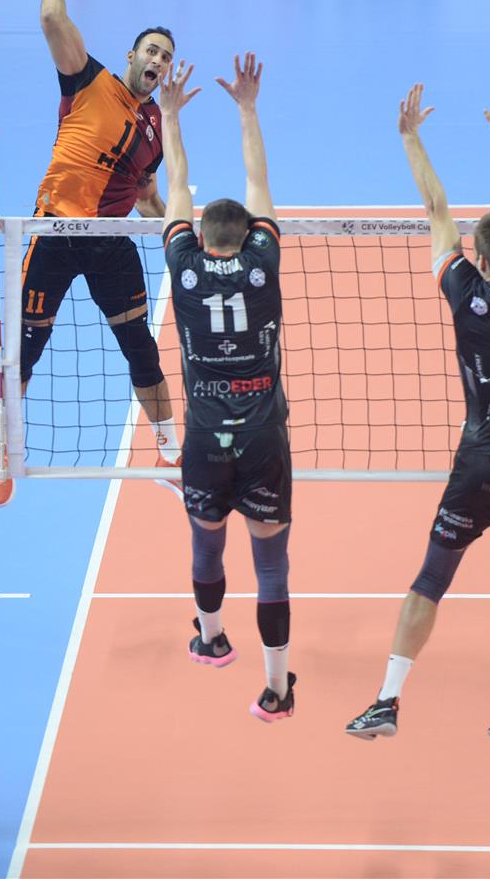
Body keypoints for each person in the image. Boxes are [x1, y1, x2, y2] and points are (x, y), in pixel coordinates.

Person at [345, 87, 490, 758]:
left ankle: (388, 699)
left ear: (479, 259)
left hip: (479, 460)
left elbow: (437, 210)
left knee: (430, 579)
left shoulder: (465, 294)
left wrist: (410, 136)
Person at [0, 0, 181, 507]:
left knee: (141, 348)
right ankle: (2, 446)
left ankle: (171, 454)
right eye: (151, 51)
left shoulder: (156, 131)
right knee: (24, 350)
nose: (158, 61)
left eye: (166, 57)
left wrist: (178, 233)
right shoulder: (88, 79)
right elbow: (51, 18)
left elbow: (148, 200)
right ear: (131, 55)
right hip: (52, 233)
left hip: (108, 242)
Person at [160, 53, 296, 723]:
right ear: (247, 237)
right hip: (263, 433)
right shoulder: (263, 264)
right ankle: (276, 690)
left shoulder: (182, 266)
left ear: (200, 237)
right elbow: (258, 180)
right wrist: (247, 107)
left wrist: (169, 116)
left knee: (206, 542)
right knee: (271, 567)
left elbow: (175, 183)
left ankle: (212, 641)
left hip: (206, 434)